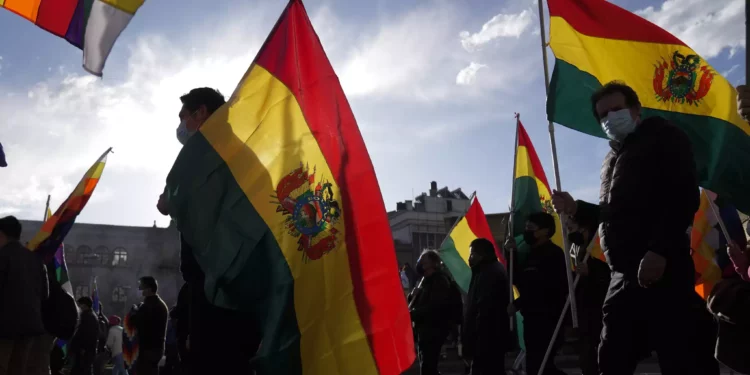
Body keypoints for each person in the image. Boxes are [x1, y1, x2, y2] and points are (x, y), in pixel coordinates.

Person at [552, 81, 719, 375]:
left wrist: (660, 250)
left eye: (616, 109)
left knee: (682, 356)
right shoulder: (612, 158)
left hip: (662, 267)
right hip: (622, 275)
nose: (609, 118)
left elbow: (682, 196)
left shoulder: (664, 137)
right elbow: (615, 212)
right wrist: (575, 207)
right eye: (603, 115)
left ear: (636, 109)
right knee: (611, 357)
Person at [157, 88, 261, 374]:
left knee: (208, 360)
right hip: (246, 286)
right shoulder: (244, 150)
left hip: (211, 284)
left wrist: (169, 200)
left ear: (201, 113)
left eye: (184, 117)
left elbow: (168, 202)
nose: (181, 125)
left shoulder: (202, 152)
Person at [508, 212, 567, 375]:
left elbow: (543, 289)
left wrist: (518, 304)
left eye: (531, 228)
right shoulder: (529, 254)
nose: (527, 232)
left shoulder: (553, 254)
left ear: (545, 231)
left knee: (542, 366)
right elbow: (518, 281)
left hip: (548, 320)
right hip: (531, 319)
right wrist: (511, 253)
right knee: (535, 365)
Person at [0, 216, 49, 375]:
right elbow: (45, 294)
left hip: (5, 327)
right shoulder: (35, 259)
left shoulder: (2, 256)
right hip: (29, 326)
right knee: (18, 369)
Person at [566, 220, 610, 375]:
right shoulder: (575, 250)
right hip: (583, 314)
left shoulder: (601, 247)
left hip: (600, 313)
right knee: (586, 360)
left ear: (584, 229)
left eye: (571, 228)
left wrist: (591, 273)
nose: (569, 232)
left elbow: (611, 278)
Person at [462, 238, 510, 375]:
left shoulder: (488, 274)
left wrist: (472, 341)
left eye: (472, 254)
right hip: (490, 338)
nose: (469, 258)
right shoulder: (485, 271)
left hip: (486, 339)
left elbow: (483, 311)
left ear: (482, 254)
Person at [408, 250, 455, 375]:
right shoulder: (424, 280)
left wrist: (412, 315)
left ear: (433, 263)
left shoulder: (440, 281)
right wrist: (411, 295)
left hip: (433, 329)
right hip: (423, 329)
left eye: (424, 260)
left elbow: (434, 307)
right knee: (428, 365)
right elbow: (416, 302)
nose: (420, 262)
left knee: (428, 366)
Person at [131, 276, 168, 375]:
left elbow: (138, 322)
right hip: (156, 348)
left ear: (149, 289)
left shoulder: (149, 305)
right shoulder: (159, 304)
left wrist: (134, 313)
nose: (139, 289)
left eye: (141, 286)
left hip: (148, 348)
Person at [70, 297, 100, 375]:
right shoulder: (90, 316)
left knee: (79, 370)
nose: (78, 307)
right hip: (87, 351)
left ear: (84, 305)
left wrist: (82, 348)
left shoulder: (87, 317)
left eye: (79, 305)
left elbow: (86, 335)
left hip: (84, 351)